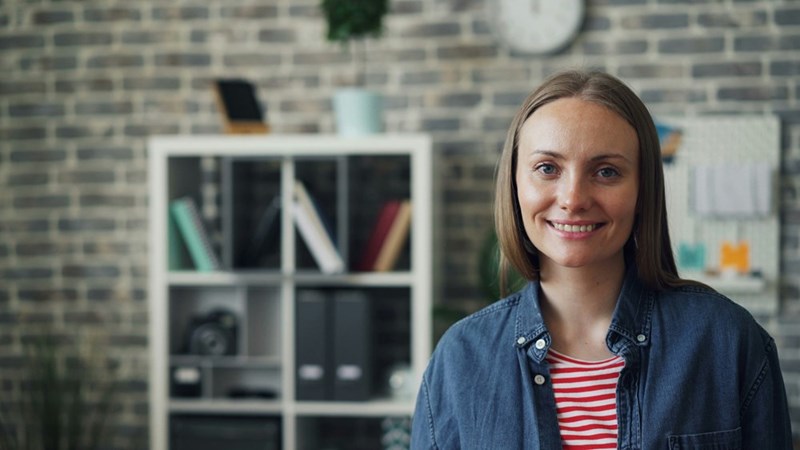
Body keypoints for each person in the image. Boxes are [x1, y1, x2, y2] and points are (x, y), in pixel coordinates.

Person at [411, 70, 792, 449]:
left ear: (643, 190)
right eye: (547, 168)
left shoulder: (726, 340)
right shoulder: (460, 359)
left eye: (606, 171)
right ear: (514, 184)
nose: (573, 198)